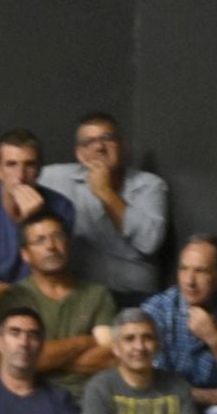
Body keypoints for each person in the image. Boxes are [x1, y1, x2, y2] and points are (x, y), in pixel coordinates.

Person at [40, 112, 170, 303]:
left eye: (107, 139)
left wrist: (106, 193)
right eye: (88, 142)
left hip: (137, 297)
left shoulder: (149, 185)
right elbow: (18, 178)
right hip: (83, 298)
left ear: (123, 145)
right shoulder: (55, 178)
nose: (99, 147)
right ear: (79, 153)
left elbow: (150, 242)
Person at [0, 210, 116, 397]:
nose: (51, 246)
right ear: (25, 254)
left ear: (68, 243)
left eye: (57, 237)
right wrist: (86, 342)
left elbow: (112, 357)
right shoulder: (16, 297)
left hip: (89, 398)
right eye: (40, 240)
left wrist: (49, 357)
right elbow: (19, 358)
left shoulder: (97, 295)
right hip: (33, 397)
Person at [141, 235, 217, 411]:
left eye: (201, 271)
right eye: (184, 269)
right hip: (169, 408)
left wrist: (216, 340)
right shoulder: (156, 311)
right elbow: (150, 384)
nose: (189, 281)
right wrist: (215, 397)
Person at [0, 128, 76, 293]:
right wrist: (19, 296)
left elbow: (56, 274)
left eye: (29, 165)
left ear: (39, 170)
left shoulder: (61, 207)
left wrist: (36, 221)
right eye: (11, 164)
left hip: (45, 300)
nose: (20, 175)